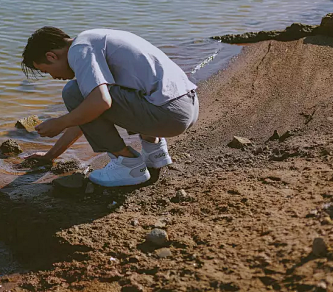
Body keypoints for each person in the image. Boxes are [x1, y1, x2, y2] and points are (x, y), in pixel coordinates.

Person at [21, 27, 199, 187]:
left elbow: (100, 103)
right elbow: (86, 115)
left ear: (51, 56)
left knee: (73, 91)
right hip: (187, 105)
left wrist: (60, 122)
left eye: (46, 71)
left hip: (168, 115)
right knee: (106, 91)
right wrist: (50, 156)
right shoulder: (95, 38)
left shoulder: (79, 50)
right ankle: (154, 151)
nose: (52, 77)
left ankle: (128, 165)